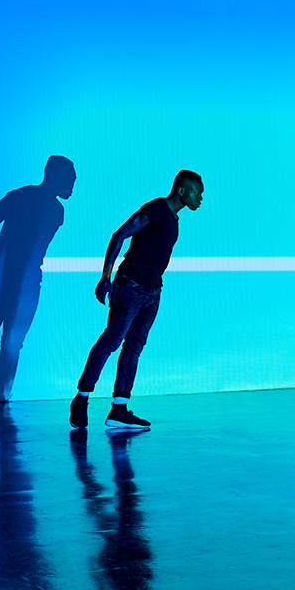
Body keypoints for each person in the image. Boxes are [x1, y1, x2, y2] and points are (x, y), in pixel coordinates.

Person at [70, 171, 203, 432]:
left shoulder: (173, 218)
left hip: (152, 292)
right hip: (130, 286)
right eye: (197, 192)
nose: (200, 198)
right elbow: (119, 235)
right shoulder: (157, 209)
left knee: (133, 347)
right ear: (182, 191)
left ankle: (119, 409)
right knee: (110, 342)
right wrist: (105, 278)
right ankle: (81, 399)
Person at [0, 155, 76, 404]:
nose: (73, 184)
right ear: (56, 176)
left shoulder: (24, 198)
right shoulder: (53, 210)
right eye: (70, 179)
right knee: (6, 344)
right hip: (16, 282)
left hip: (6, 280)